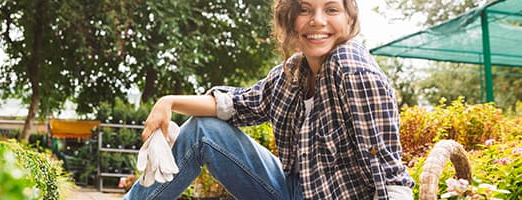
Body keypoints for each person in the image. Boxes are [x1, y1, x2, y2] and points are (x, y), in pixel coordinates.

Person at [124, 0, 413, 199]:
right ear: (291, 19)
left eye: (332, 9)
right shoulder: (291, 73)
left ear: (349, 19)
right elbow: (235, 105)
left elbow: (389, 175)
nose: (318, 20)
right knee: (203, 131)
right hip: (293, 190)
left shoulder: (353, 70)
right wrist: (168, 102)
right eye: (305, 9)